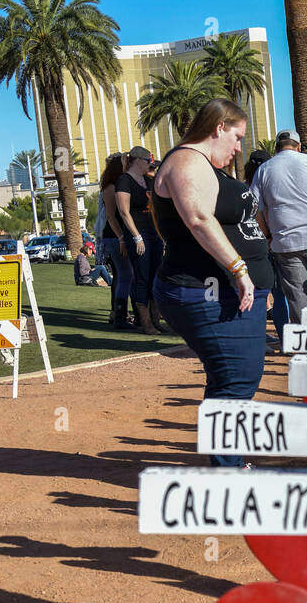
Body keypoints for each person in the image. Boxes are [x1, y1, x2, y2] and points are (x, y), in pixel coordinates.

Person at [151, 99, 274, 468]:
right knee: (236, 380)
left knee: (233, 378)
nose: (239, 147)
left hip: (228, 292)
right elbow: (200, 219)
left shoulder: (204, 165)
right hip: (204, 289)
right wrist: (240, 269)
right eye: (237, 137)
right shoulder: (187, 161)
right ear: (218, 127)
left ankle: (231, 463)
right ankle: (229, 471)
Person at [248, 129, 307, 324]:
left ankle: (305, 346)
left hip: (285, 243)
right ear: (298, 146)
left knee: (298, 299)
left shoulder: (264, 170)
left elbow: (255, 209)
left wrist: (267, 235)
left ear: (276, 148)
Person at [115, 145, 165, 334]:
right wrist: (136, 237)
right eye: (147, 161)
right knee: (142, 277)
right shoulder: (124, 180)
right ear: (137, 160)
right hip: (138, 233)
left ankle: (155, 318)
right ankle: (145, 322)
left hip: (154, 233)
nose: (150, 165)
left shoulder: (147, 180)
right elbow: (123, 212)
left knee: (155, 275)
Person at [245, 147, 287, 348]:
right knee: (269, 292)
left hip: (255, 244)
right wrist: (269, 236)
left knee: (260, 292)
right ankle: (261, 337)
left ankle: (259, 334)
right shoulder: (262, 185)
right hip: (263, 243)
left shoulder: (247, 187)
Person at [98, 153, 134, 328]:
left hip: (119, 236)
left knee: (124, 275)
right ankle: (120, 315)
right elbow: (111, 217)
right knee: (125, 275)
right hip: (114, 237)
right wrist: (121, 239)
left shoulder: (120, 184)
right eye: (125, 162)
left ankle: (120, 314)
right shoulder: (110, 187)